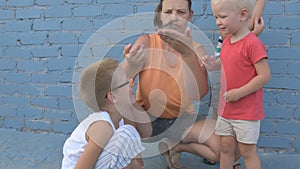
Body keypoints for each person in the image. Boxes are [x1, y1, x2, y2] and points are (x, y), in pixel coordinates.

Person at [201, 0, 271, 168]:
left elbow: (264, 76)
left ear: (243, 15)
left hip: (246, 112)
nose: (218, 21)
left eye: (223, 16)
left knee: (247, 152)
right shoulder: (226, 42)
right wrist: (213, 65)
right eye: (215, 17)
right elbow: (226, 61)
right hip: (226, 110)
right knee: (225, 148)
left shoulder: (252, 43)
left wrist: (239, 93)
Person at [61, 59, 152, 169]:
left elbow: (146, 133)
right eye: (127, 82)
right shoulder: (102, 127)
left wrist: (133, 102)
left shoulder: (121, 118)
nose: (133, 84)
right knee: (127, 133)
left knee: (130, 135)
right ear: (112, 96)